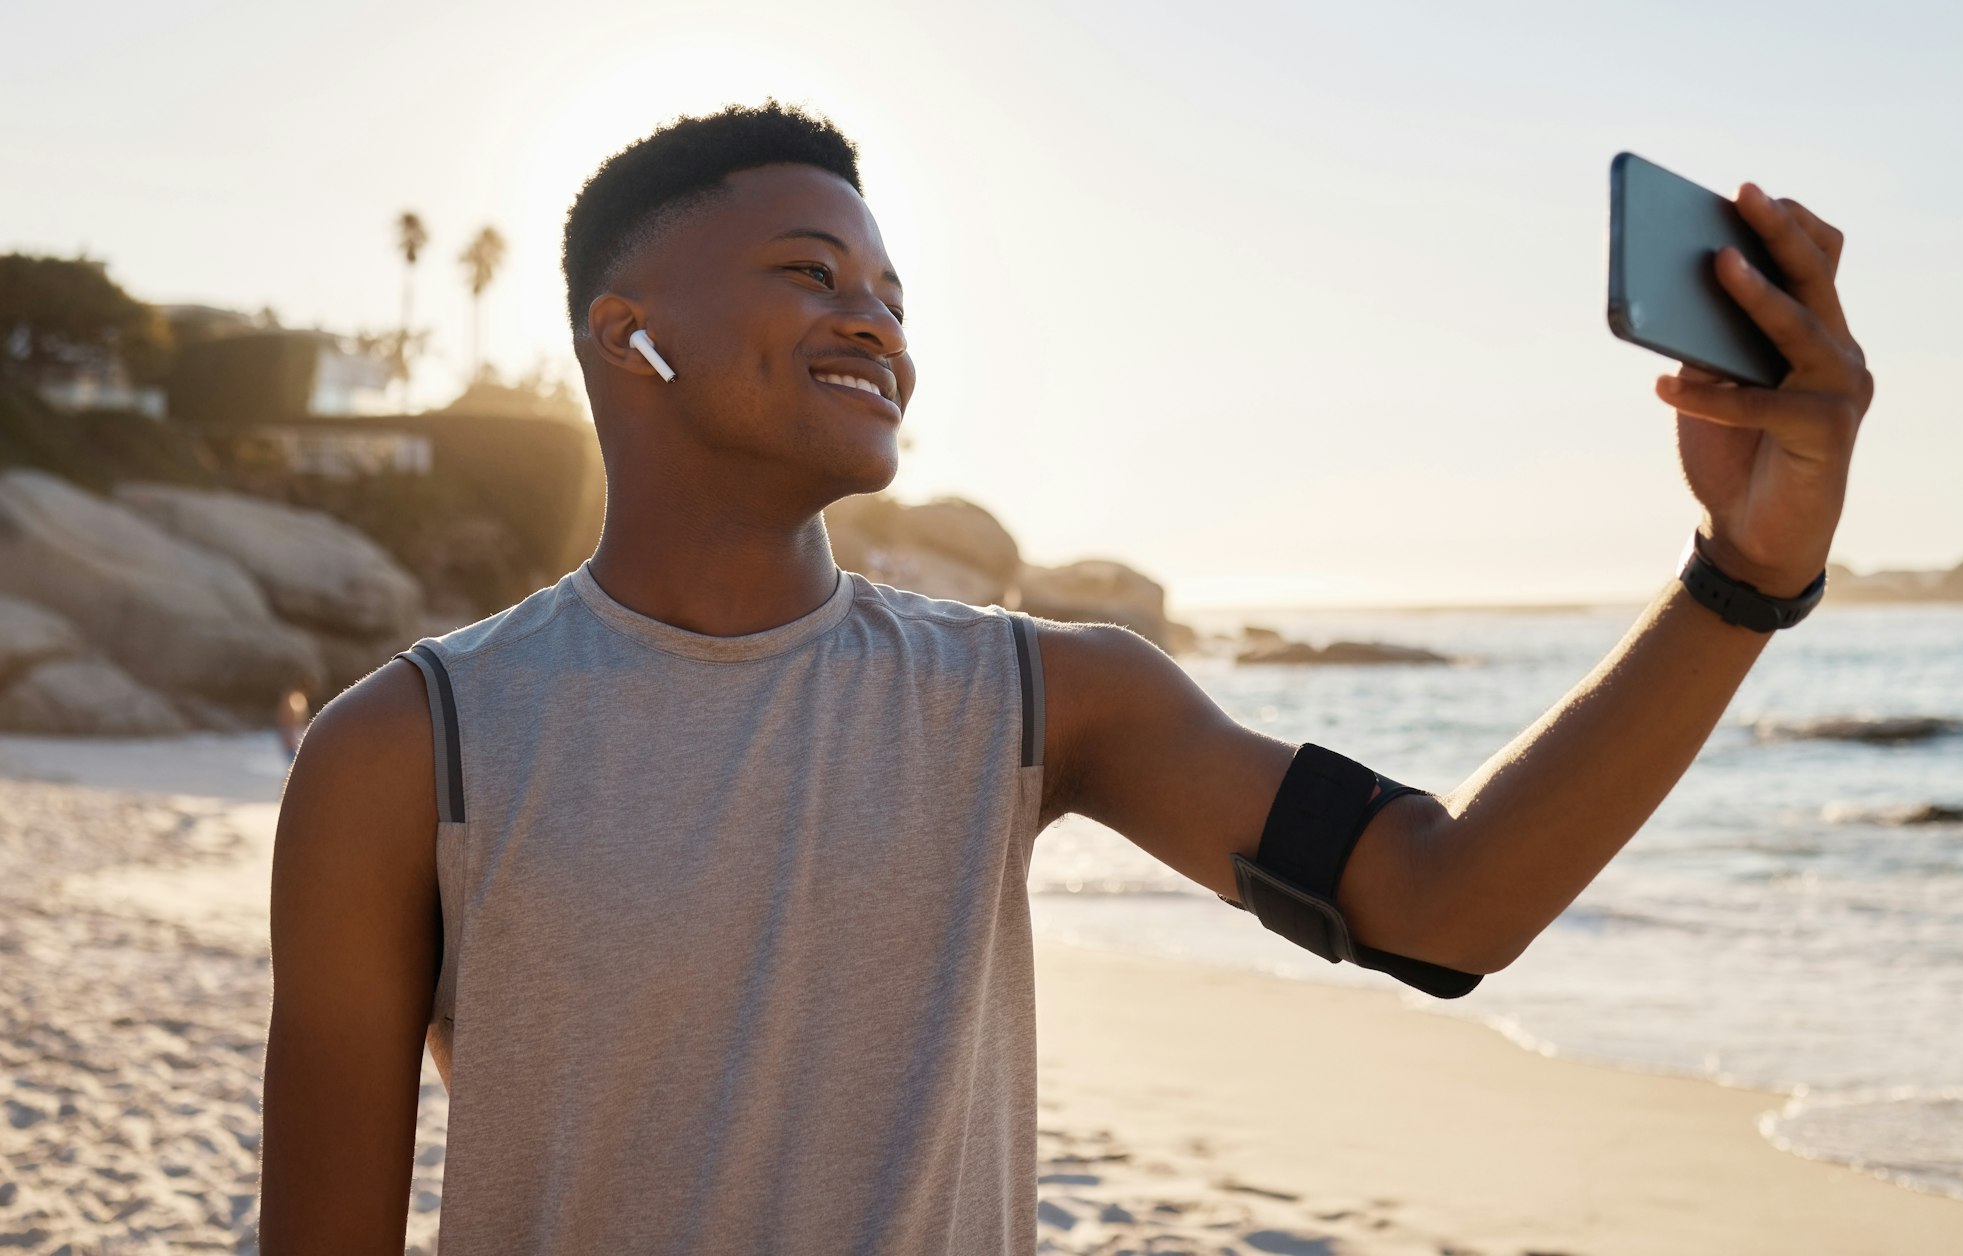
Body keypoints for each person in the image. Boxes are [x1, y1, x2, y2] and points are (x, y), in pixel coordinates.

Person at [257, 102, 1872, 1254]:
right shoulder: (414, 747)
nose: (874, 324)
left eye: (893, 294)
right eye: (812, 274)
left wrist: (1747, 575)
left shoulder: (1041, 703)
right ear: (631, 337)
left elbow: (1447, 906)